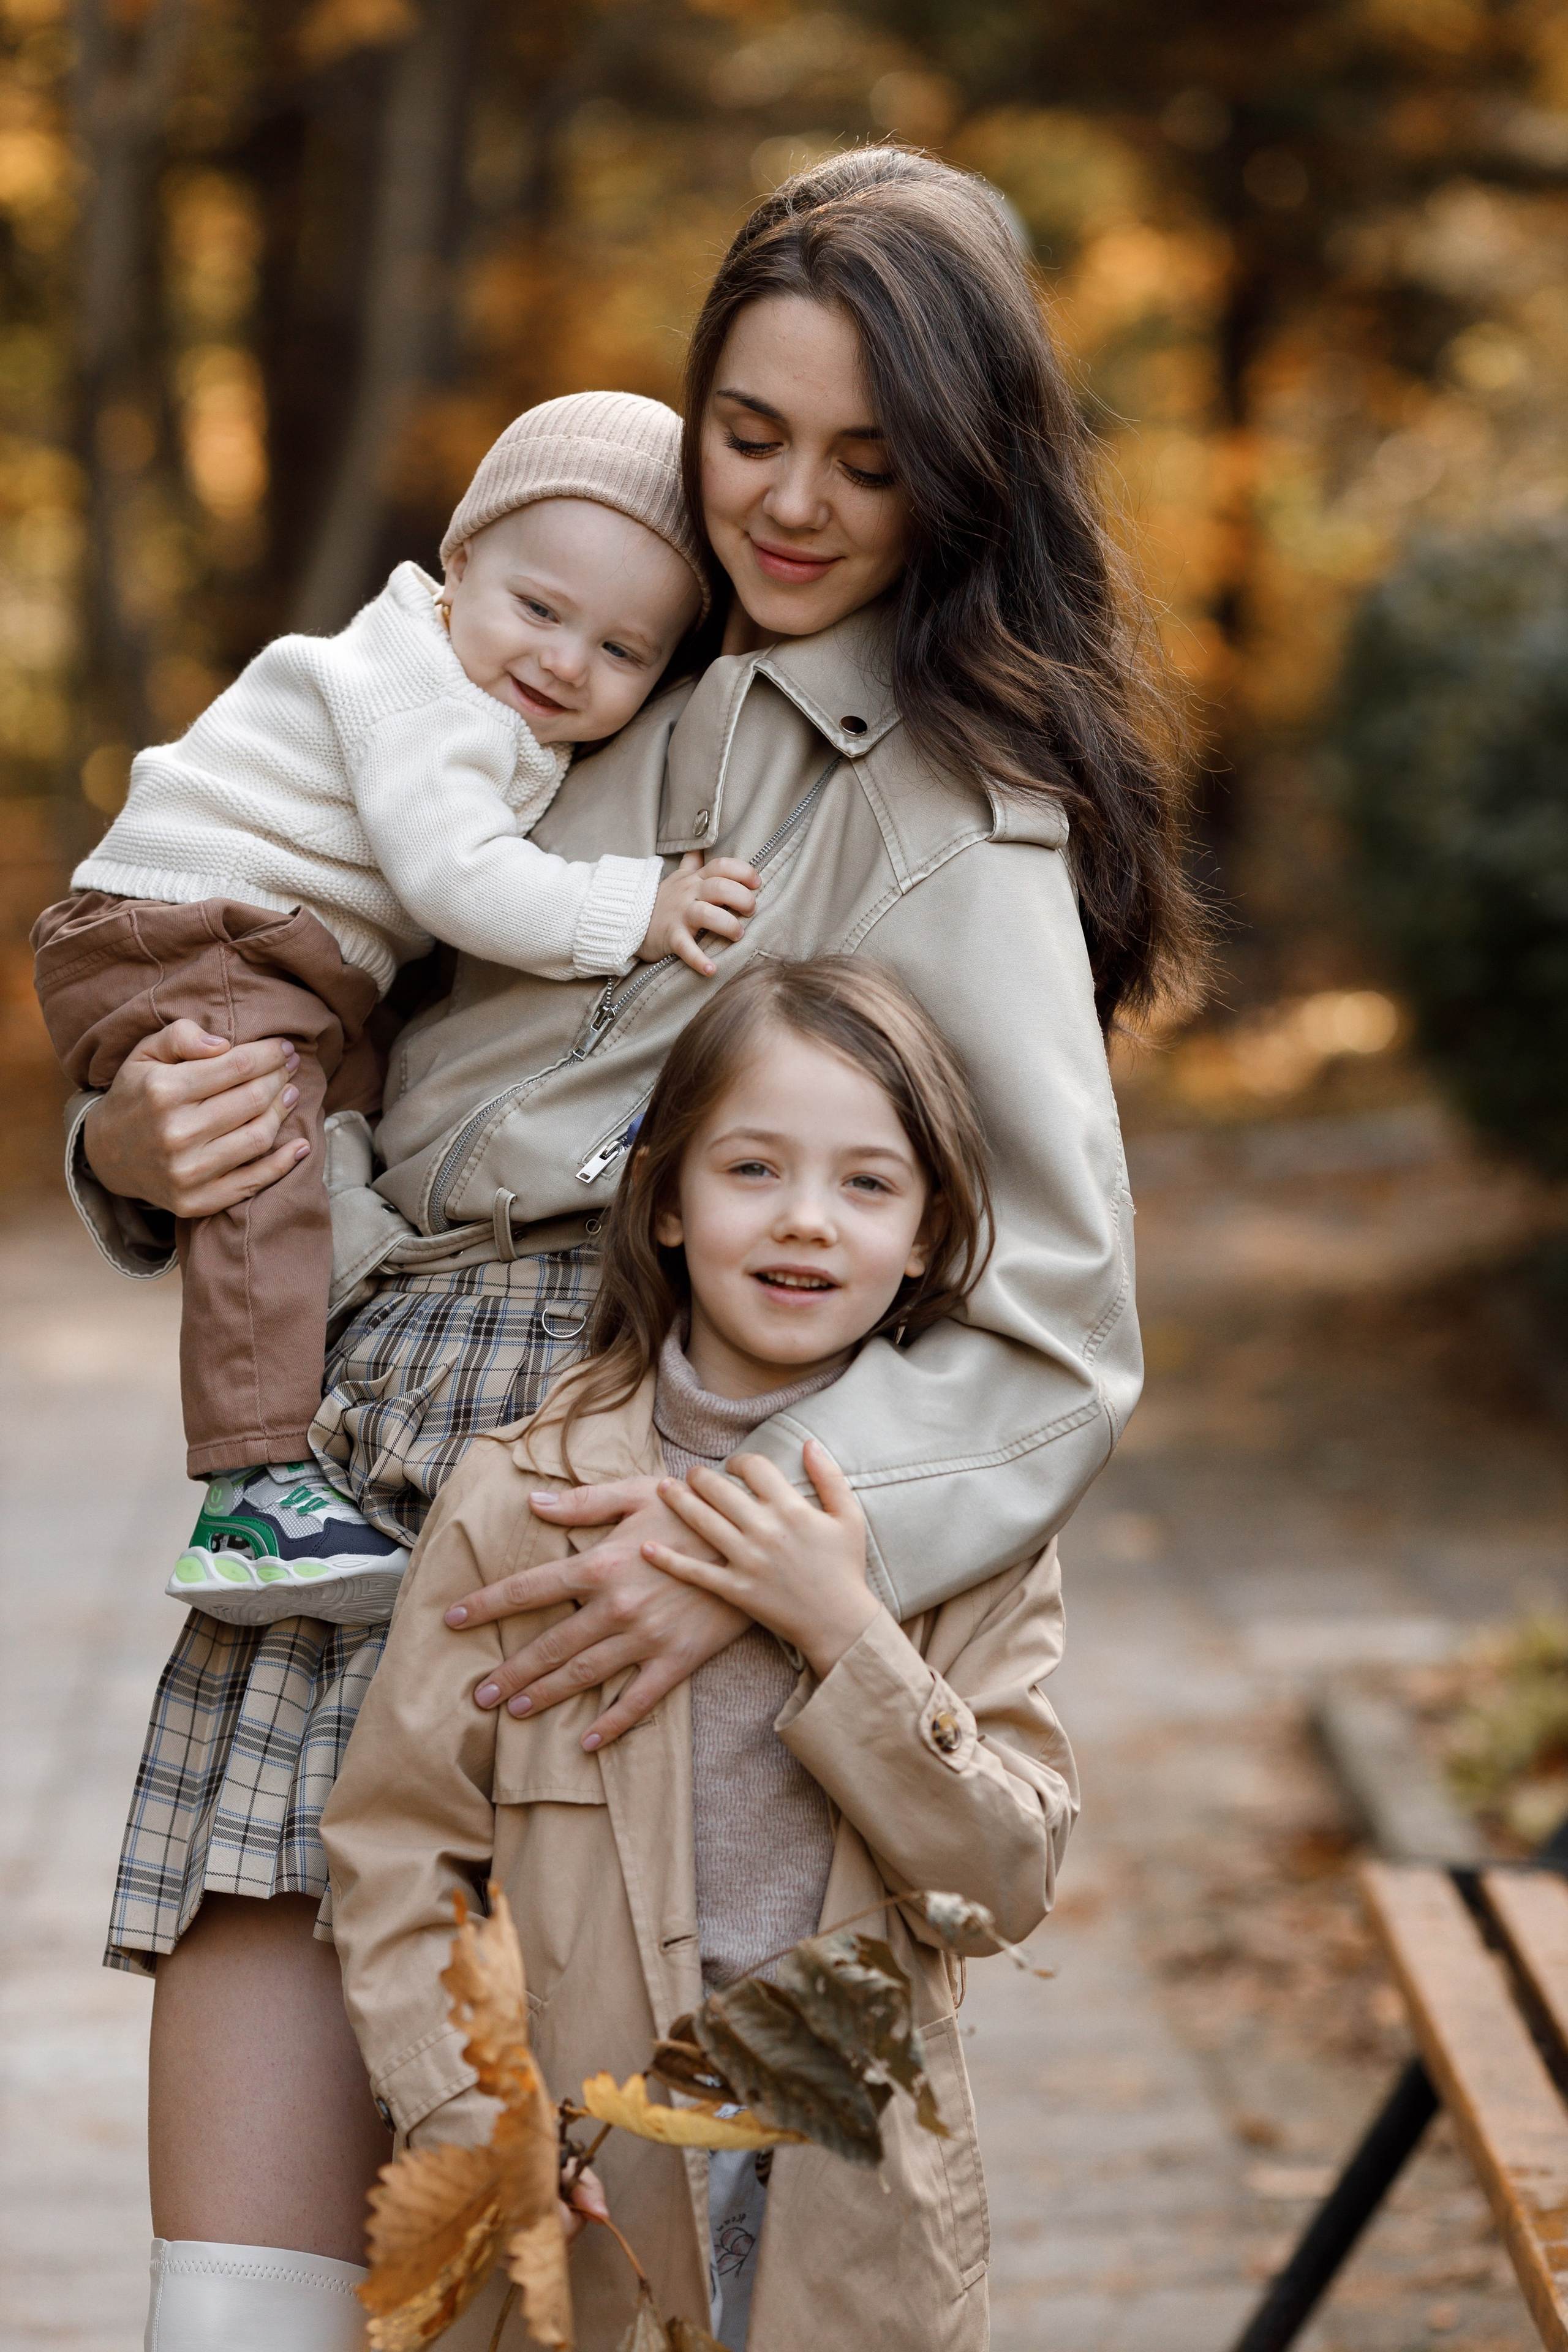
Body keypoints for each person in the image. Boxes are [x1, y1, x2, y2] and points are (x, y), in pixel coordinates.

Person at [67, 146, 1204, 2347]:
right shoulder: (570, 661)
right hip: (356, 1455)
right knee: (243, 2288)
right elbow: (311, 980)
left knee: (555, 2271)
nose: (787, 505)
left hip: (611, 1520)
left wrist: (731, 1538)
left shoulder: (950, 806)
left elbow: (1056, 1326)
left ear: (959, 477)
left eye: (866, 463)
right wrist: (141, 1132)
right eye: (750, 434)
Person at [323, 958, 1079, 2351]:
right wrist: (471, 2118)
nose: (805, 1221)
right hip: (580, 2165)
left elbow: (1008, 1877)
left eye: (867, 1184)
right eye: (752, 1168)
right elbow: (394, 1848)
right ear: (666, 1200)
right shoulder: (519, 1497)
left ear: (926, 1234)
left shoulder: (974, 1531)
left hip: (846, 2178)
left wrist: (844, 1629)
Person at [31, 391, 757, 1624]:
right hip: (194, 928)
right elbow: (456, 880)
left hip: (282, 952)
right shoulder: (421, 696)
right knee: (268, 1153)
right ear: (458, 564)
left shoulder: (477, 686)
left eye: (622, 651)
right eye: (538, 609)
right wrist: (633, 909)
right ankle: (250, 1495)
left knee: (340, 1133)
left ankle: (313, 1418)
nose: (564, 662)